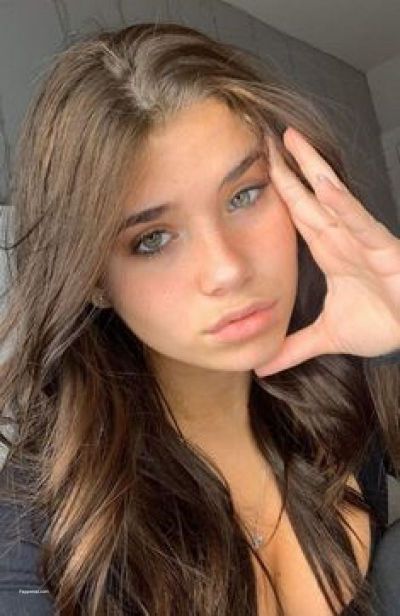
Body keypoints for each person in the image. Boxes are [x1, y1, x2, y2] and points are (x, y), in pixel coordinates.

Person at [0, 21, 399, 616]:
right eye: (153, 238)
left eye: (244, 195)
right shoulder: (42, 536)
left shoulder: (338, 389)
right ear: (94, 281)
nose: (227, 269)